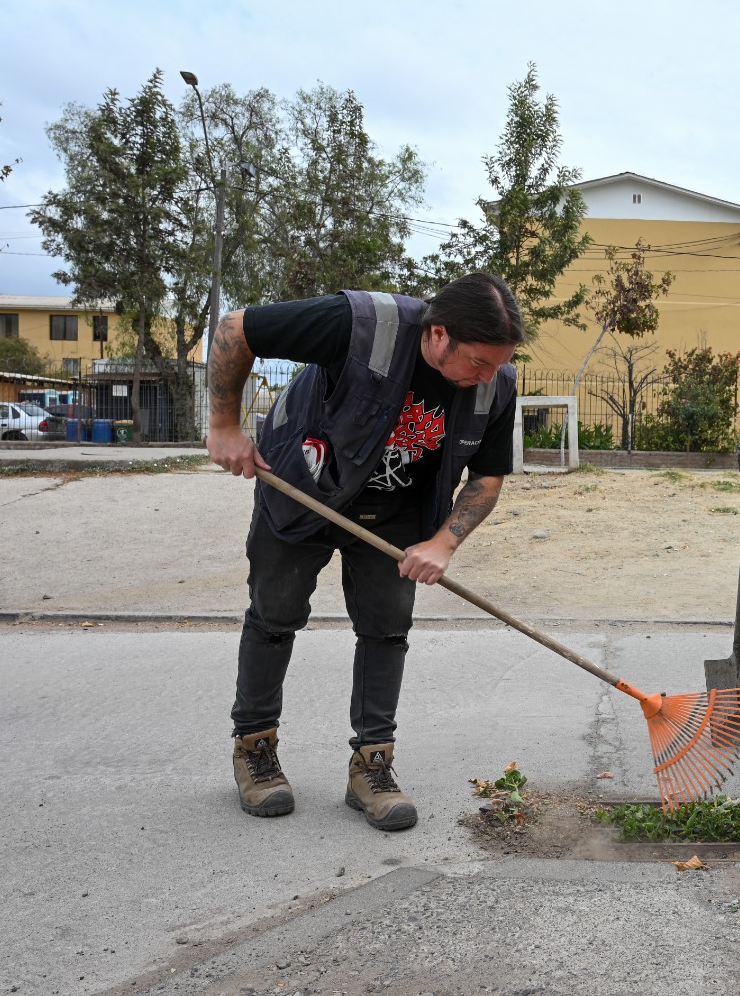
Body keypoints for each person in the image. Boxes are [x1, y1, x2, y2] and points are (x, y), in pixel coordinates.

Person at [205, 274, 523, 831]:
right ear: (439, 335)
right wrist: (224, 424)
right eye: (477, 361)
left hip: (398, 511)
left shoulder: (496, 383)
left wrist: (444, 542)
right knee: (275, 617)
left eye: (496, 364)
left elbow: (488, 478)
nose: (486, 376)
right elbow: (236, 327)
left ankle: (371, 766)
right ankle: (254, 750)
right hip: (302, 486)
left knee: (386, 629)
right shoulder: (359, 324)